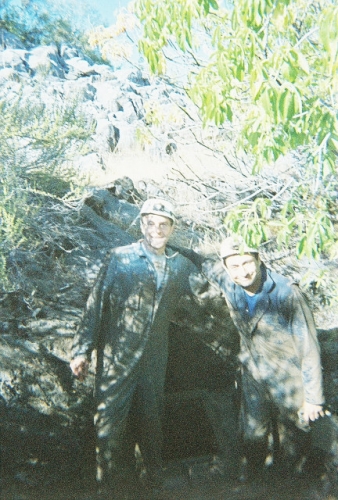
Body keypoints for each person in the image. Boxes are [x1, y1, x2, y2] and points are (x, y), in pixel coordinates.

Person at [70, 198, 197, 499]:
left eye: (163, 224)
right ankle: (107, 487)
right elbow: (95, 306)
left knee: (152, 422)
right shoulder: (119, 258)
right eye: (150, 223)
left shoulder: (180, 265)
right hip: (117, 358)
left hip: (155, 360)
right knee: (109, 423)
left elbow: (207, 292)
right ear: (141, 225)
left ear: (172, 228)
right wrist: (81, 351)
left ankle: (154, 483)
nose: (157, 229)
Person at [178, 235, 331, 483]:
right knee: (253, 432)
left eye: (248, 262)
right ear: (227, 268)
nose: (243, 272)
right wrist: (168, 246)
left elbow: (309, 349)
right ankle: (255, 479)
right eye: (235, 266)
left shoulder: (287, 293)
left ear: (259, 260)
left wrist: (314, 398)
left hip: (289, 376)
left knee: (294, 433)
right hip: (253, 371)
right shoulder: (230, 283)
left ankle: (290, 482)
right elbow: (204, 263)